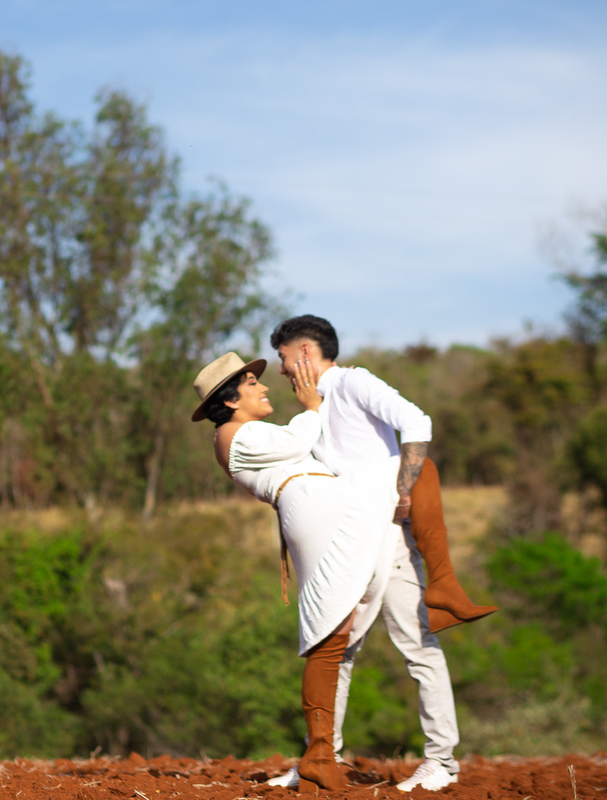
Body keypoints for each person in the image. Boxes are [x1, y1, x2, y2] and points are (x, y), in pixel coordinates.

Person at [264, 314, 496, 793]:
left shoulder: (354, 383)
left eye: (284, 359)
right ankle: (320, 758)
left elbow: (416, 420)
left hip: (387, 540)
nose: (281, 370)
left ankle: (441, 762)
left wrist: (404, 489)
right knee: (339, 650)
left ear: (306, 352)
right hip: (347, 545)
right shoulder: (311, 409)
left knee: (417, 645)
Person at [191, 351, 402, 793]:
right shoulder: (234, 434)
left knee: (338, 628)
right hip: (309, 508)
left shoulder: (247, 431)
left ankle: (322, 753)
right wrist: (311, 405)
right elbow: (296, 441)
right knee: (329, 630)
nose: (265, 387)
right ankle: (319, 756)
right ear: (230, 400)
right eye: (253, 384)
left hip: (322, 505)